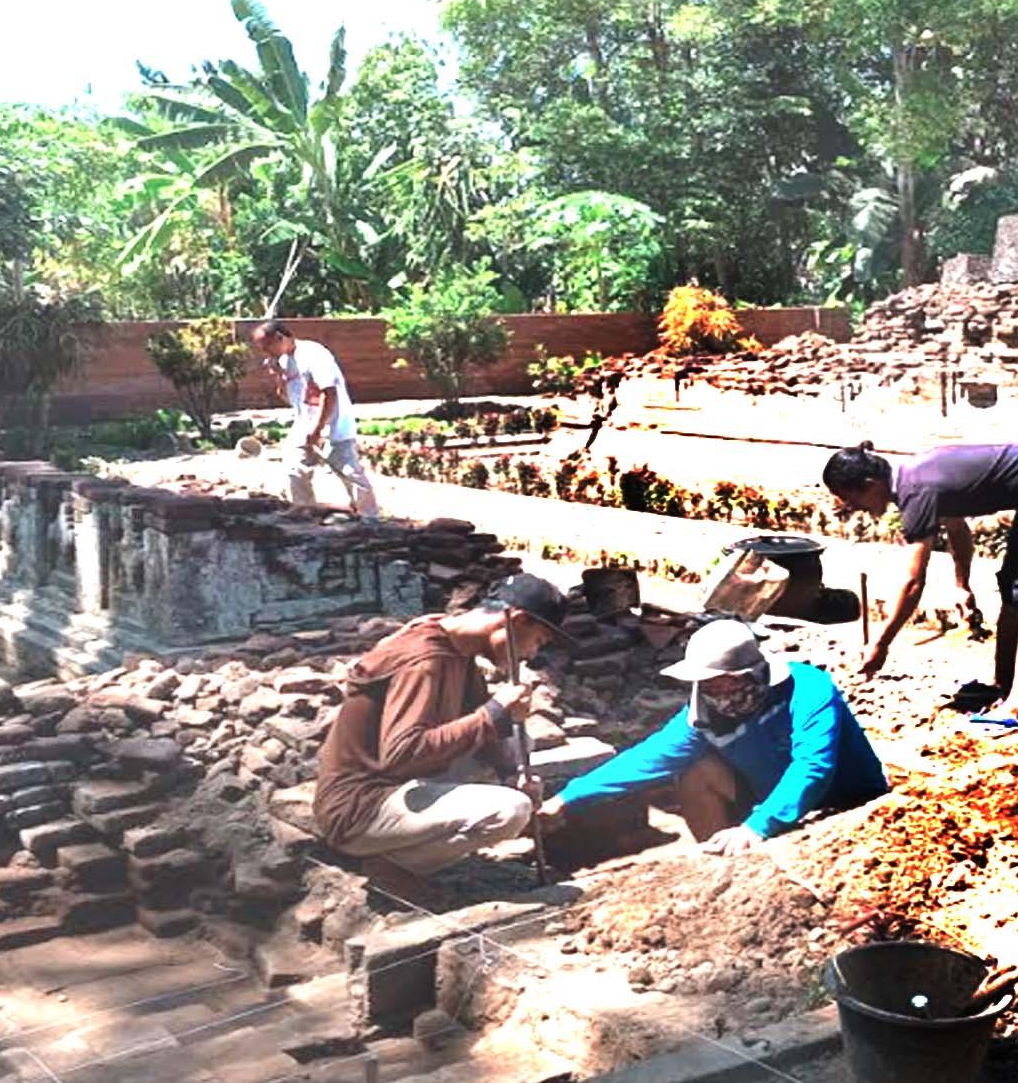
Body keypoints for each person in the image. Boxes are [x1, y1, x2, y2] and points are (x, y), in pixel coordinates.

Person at [313, 573, 571, 904]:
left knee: (516, 743)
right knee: (510, 810)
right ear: (516, 620)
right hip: (359, 808)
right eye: (538, 640)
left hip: (399, 785)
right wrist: (493, 713)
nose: (532, 654)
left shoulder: (455, 645)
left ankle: (402, 846)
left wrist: (513, 774)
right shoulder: (424, 661)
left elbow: (487, 733)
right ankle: (396, 866)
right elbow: (402, 753)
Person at [540, 619, 887, 855]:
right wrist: (567, 798)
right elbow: (646, 760)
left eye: (724, 684)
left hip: (845, 798)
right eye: (707, 685)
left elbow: (813, 765)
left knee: (784, 797)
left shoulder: (808, 689)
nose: (716, 694)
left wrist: (757, 826)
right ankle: (723, 862)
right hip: (767, 794)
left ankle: (751, 836)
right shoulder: (704, 714)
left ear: (753, 674)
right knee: (695, 772)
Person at [824, 441, 1018, 727]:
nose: (853, 507)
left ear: (870, 484)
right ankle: (1004, 686)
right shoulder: (913, 476)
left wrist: (881, 644)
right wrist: (962, 585)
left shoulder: (915, 491)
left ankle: (1017, 707)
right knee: (1011, 584)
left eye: (850, 498)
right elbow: (957, 528)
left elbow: (913, 582)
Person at [250, 320, 380, 519]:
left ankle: (369, 516)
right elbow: (288, 397)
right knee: (294, 467)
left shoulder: (314, 354)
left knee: (348, 471)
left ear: (280, 338)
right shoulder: (284, 361)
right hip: (304, 423)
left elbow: (329, 392)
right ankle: (303, 509)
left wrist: (318, 429)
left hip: (333, 424)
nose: (265, 353)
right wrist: (279, 375)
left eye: (267, 346)